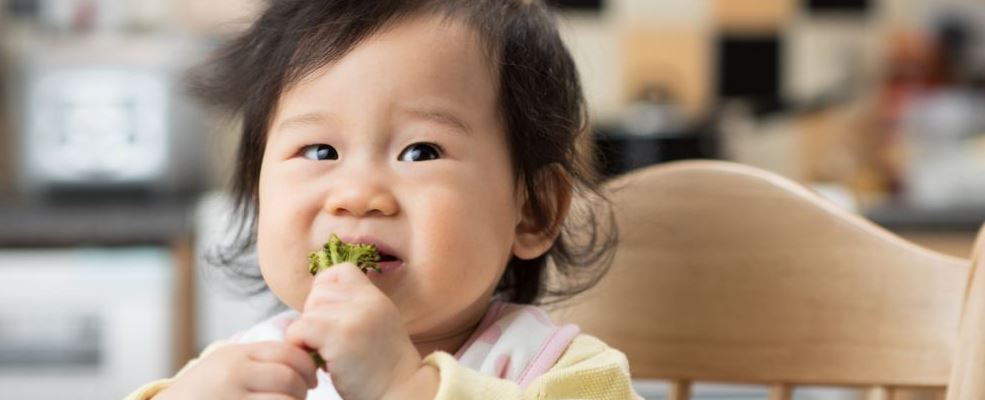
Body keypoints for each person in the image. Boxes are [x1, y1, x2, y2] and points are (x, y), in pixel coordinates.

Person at [127, 0, 638, 398]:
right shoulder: (244, 369)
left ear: (533, 211)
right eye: (320, 149)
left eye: (420, 152)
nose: (357, 196)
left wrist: (404, 387)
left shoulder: (559, 372)